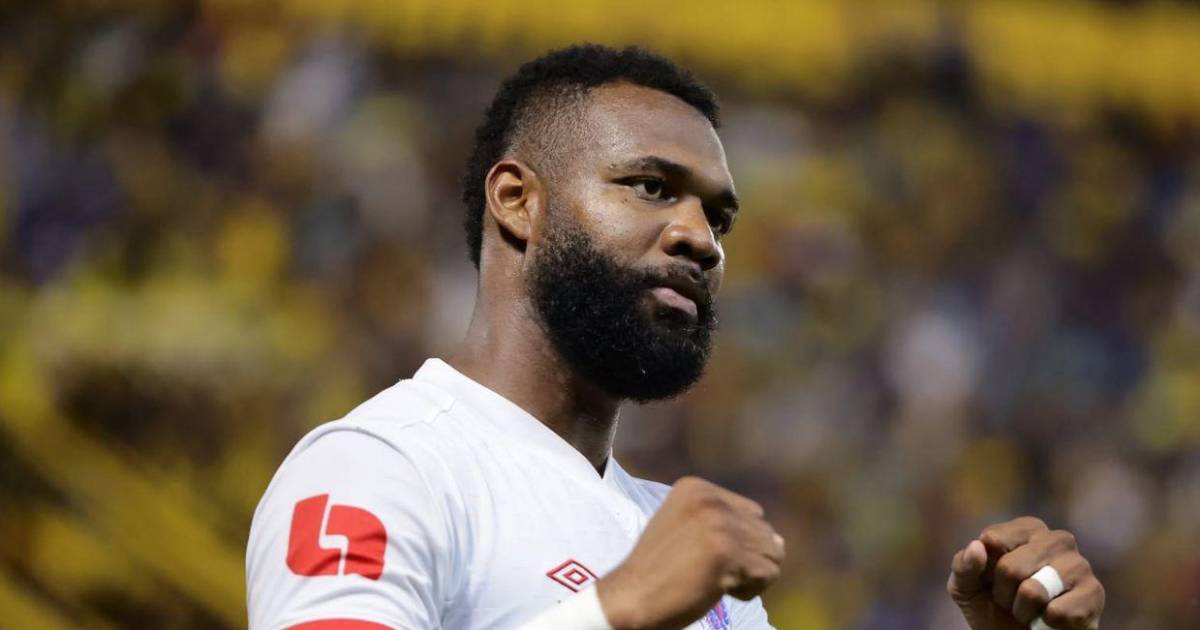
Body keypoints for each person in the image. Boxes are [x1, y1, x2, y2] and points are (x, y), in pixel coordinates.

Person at [245, 44, 1106, 630]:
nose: (701, 238)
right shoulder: (381, 468)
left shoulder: (685, 540)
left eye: (718, 216)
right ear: (517, 202)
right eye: (652, 187)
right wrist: (617, 608)